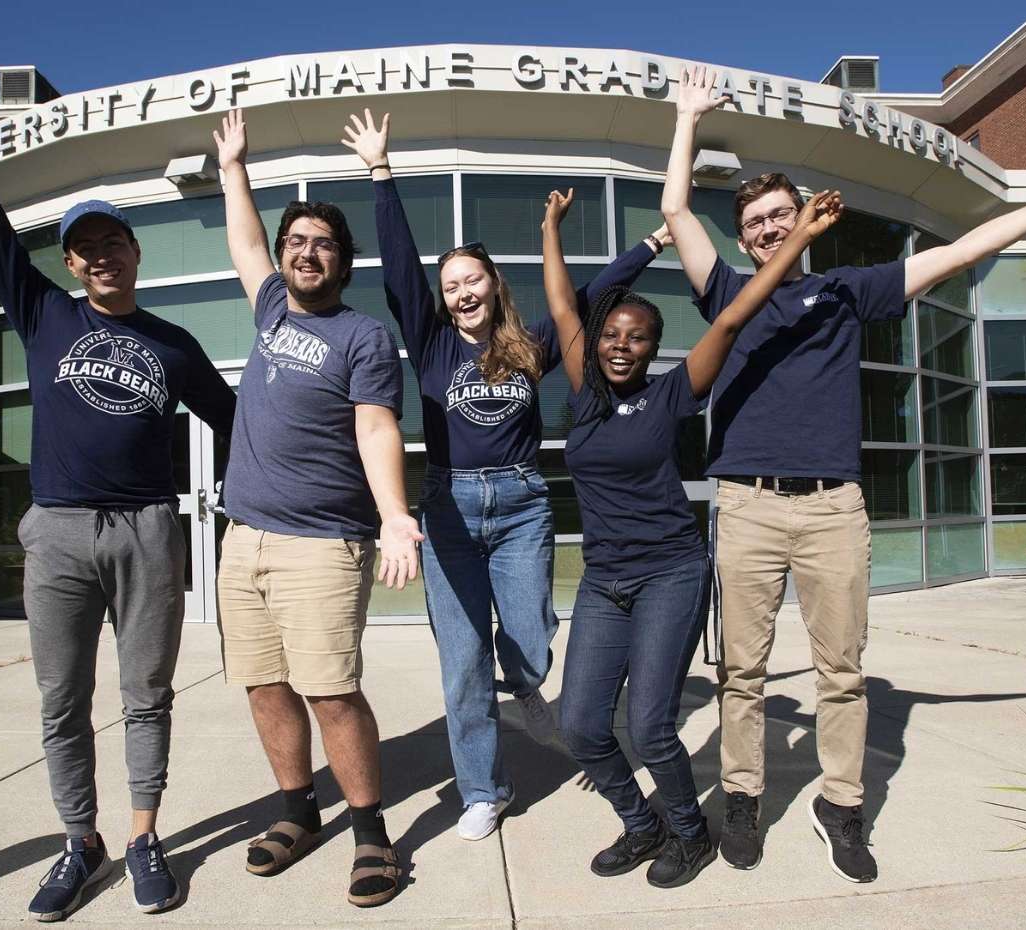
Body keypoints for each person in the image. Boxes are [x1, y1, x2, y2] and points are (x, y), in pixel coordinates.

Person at [659, 66, 1026, 883]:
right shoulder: (728, 296)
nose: (773, 228)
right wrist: (687, 120)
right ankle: (741, 795)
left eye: (782, 214)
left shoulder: (850, 292)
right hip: (746, 504)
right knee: (740, 668)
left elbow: (960, 250)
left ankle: (840, 806)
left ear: (803, 219)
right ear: (744, 237)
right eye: (758, 221)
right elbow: (676, 209)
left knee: (840, 670)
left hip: (831, 509)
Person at [0, 8, 239, 920]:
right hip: (59, 528)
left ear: (133, 250)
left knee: (146, 695)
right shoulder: (44, 313)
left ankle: (144, 835)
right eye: (83, 250)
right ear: (74, 264)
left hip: (151, 528)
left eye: (111, 243)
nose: (98, 258)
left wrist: (250, 502)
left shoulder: (171, 342)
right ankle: (78, 841)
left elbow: (235, 420)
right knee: (60, 701)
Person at [340, 109, 673, 841]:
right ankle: (484, 790)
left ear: (494, 283)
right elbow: (399, 270)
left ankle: (525, 684)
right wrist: (381, 173)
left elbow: (590, 296)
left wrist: (650, 243)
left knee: (529, 636)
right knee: (461, 663)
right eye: (450, 283)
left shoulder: (531, 345)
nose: (461, 291)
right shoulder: (429, 344)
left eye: (472, 279)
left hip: (522, 502)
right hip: (449, 508)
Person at [544, 181, 842, 889]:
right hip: (604, 580)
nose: (621, 346)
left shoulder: (671, 392)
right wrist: (551, 227)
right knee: (582, 726)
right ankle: (642, 825)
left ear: (653, 347)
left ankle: (690, 833)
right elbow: (562, 303)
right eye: (612, 333)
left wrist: (797, 240)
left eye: (637, 337)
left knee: (649, 727)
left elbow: (735, 317)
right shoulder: (584, 390)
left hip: (671, 573)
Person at [213, 107, 421, 909]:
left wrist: (395, 514)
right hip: (246, 540)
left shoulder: (362, 336)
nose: (305, 252)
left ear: (343, 261)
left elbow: (375, 427)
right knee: (265, 686)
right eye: (296, 241)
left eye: (322, 243)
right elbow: (243, 243)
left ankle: (372, 833)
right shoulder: (269, 309)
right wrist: (235, 168)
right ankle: (299, 813)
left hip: (323, 544)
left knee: (331, 690)